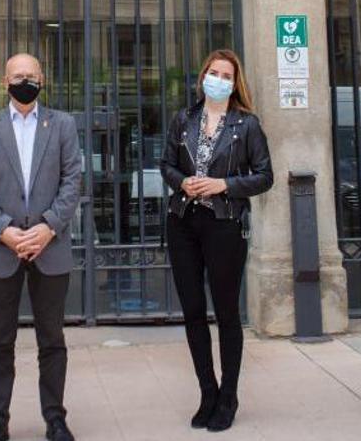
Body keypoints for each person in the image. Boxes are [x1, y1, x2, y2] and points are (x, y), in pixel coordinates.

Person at [0, 53, 82, 441]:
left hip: (51, 247)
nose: (25, 81)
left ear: (42, 80)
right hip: (2, 249)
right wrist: (5, 231)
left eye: (31, 75)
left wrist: (48, 227)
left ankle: (55, 418)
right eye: (18, 76)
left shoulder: (63, 125)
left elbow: (72, 181)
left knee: (53, 340)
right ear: (5, 81)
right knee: (0, 340)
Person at [160, 49, 273, 432]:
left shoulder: (247, 125)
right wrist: (182, 182)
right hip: (183, 223)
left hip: (224, 225)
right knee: (193, 311)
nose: (219, 79)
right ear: (203, 75)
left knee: (226, 313)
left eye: (226, 74)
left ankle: (228, 396)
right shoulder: (184, 119)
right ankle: (207, 392)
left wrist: (225, 184)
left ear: (234, 81)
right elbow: (166, 164)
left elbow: (264, 175)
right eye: (214, 72)